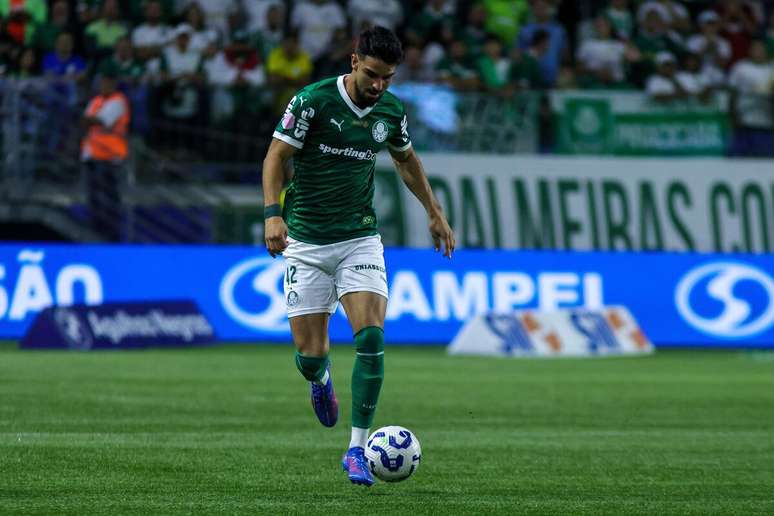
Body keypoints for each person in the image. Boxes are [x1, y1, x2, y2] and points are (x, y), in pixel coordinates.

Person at [262, 26, 455, 487]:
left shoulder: (389, 109)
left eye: (388, 78)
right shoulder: (312, 101)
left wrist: (434, 211)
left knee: (371, 338)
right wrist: (273, 215)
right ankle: (318, 378)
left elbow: (406, 160)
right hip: (306, 243)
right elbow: (274, 157)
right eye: (372, 75)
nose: (379, 86)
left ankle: (356, 448)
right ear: (353, 62)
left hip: (359, 241)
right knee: (310, 355)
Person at [80, 65, 130, 241]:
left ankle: (111, 233)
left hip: (110, 156)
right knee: (93, 195)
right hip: (92, 154)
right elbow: (85, 121)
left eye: (108, 82)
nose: (104, 85)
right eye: (102, 81)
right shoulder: (96, 101)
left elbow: (102, 121)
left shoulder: (118, 101)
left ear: (114, 83)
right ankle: (95, 229)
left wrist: (90, 120)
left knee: (109, 196)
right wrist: (89, 120)